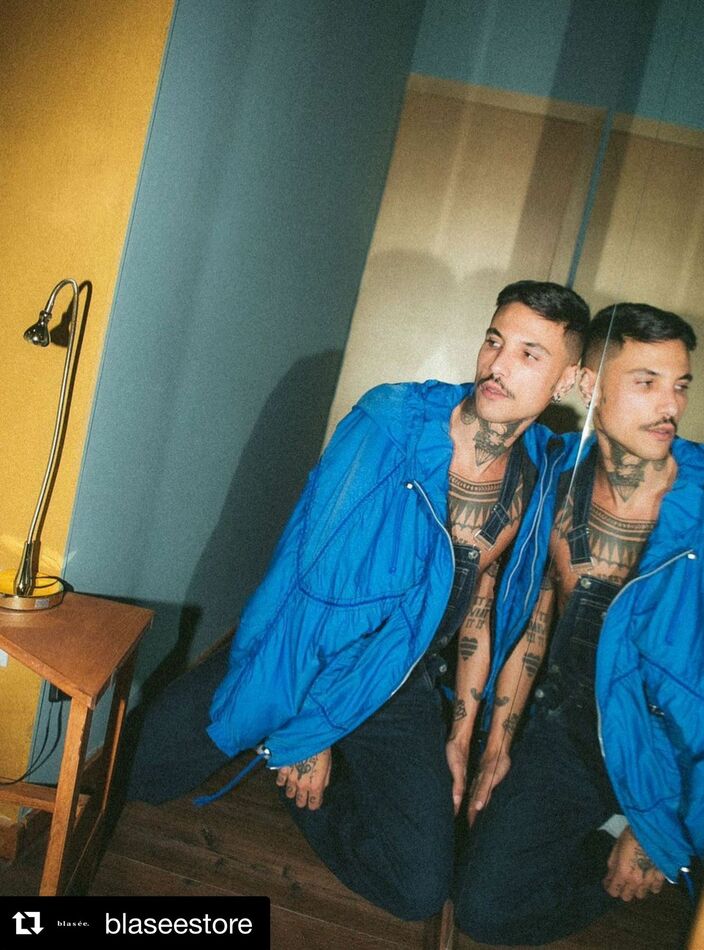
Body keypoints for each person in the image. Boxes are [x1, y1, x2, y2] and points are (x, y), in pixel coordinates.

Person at [201, 280, 590, 919]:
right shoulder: (392, 425)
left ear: (568, 378)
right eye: (494, 341)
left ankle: (306, 780)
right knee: (154, 764)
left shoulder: (535, 477)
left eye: (529, 354)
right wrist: (310, 732)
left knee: (418, 890)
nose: (497, 365)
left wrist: (461, 739)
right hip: (316, 653)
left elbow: (481, 611)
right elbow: (313, 592)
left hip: (403, 680)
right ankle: (283, 743)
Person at [453, 303, 704, 945]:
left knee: (691, 884)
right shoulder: (559, 485)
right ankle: (599, 843)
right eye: (646, 382)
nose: (670, 406)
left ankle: (641, 844)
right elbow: (536, 623)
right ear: (587, 384)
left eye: (680, 385)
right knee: (479, 907)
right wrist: (497, 748)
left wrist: (658, 833)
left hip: (664, 747)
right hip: (571, 729)